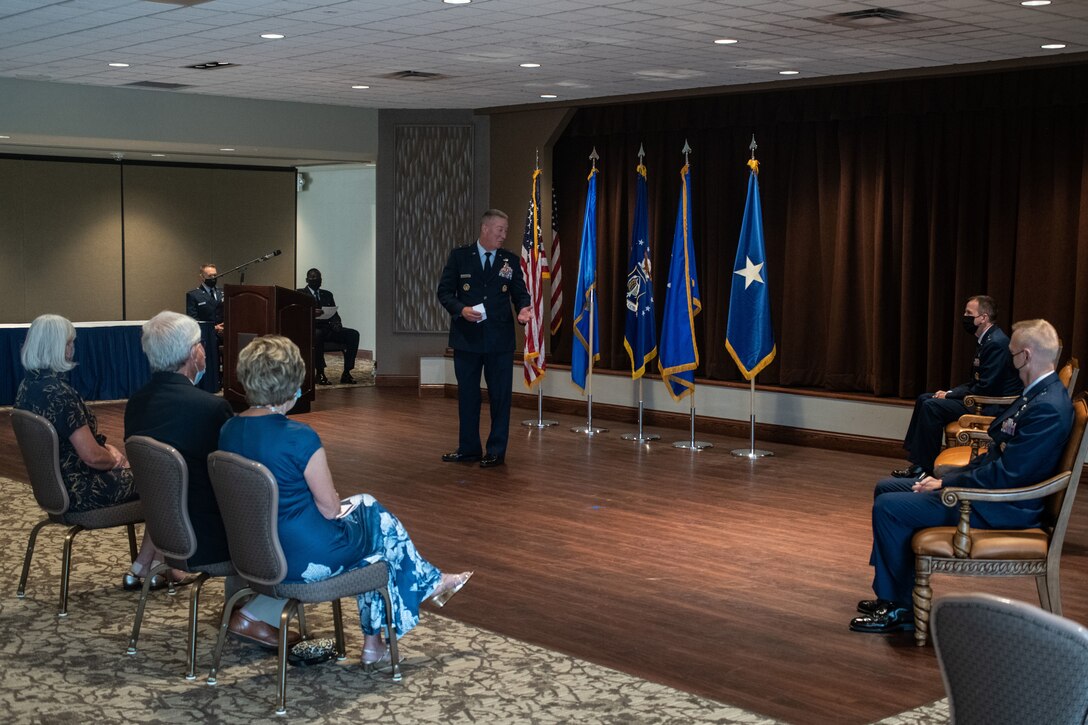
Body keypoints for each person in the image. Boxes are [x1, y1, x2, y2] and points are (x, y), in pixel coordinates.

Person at [217, 335, 472, 666]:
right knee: (376, 535)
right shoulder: (299, 437)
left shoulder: (228, 430)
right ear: (291, 381)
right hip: (300, 559)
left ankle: (400, 613)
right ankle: (409, 603)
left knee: (370, 520)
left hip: (252, 551)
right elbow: (330, 508)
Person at [851, 319, 1073, 633]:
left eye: (1012, 354)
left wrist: (947, 482)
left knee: (890, 507)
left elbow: (1010, 474)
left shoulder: (1047, 406)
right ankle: (894, 595)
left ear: (1025, 355)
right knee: (886, 487)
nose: (1010, 361)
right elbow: (1001, 458)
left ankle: (897, 608)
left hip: (1001, 507)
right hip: (991, 492)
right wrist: (953, 473)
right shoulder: (1040, 394)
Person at [124, 311, 297, 650]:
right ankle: (253, 613)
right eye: (201, 344)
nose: (204, 351)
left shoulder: (136, 403)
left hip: (167, 531)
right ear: (193, 354)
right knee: (282, 519)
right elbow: (240, 482)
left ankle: (247, 606)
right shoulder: (209, 408)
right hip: (208, 537)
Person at [15, 314, 167, 590]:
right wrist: (115, 459)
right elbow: (91, 456)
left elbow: (82, 443)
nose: (73, 349)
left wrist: (107, 449)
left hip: (55, 488)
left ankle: (146, 566)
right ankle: (149, 566)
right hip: (82, 491)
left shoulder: (28, 388)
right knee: (161, 483)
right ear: (58, 347)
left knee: (155, 480)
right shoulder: (60, 394)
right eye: (70, 343)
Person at [436, 209, 532, 468]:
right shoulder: (460, 257)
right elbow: (444, 292)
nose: (504, 235)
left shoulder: (509, 261)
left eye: (506, 230)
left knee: (500, 397)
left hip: (499, 341)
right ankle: (468, 448)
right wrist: (460, 309)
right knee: (468, 396)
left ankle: (496, 451)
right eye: (500, 229)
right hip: (467, 340)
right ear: (486, 229)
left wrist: (524, 308)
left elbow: (519, 293)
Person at [892, 295, 1022, 478]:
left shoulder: (996, 344)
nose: (965, 316)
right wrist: (951, 392)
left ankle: (925, 467)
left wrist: (951, 396)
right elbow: (977, 381)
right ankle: (918, 461)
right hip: (980, 397)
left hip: (990, 405)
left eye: (969, 313)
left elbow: (986, 387)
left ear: (983, 318)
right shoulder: (988, 339)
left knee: (932, 406)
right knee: (924, 398)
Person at [299, 267, 360, 386]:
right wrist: (312, 313)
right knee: (318, 334)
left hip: (328, 328)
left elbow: (334, 314)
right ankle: (320, 373)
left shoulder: (327, 294)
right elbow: (298, 313)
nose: (316, 280)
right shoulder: (301, 294)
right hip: (312, 330)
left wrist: (337, 324)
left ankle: (347, 372)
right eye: (313, 278)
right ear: (307, 280)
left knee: (353, 334)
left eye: (319, 278)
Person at [185, 263, 224, 333]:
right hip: (206, 335)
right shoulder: (194, 295)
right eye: (210, 276)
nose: (213, 278)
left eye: (215, 275)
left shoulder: (223, 292)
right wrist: (214, 328)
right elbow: (193, 321)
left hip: (224, 335)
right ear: (202, 277)